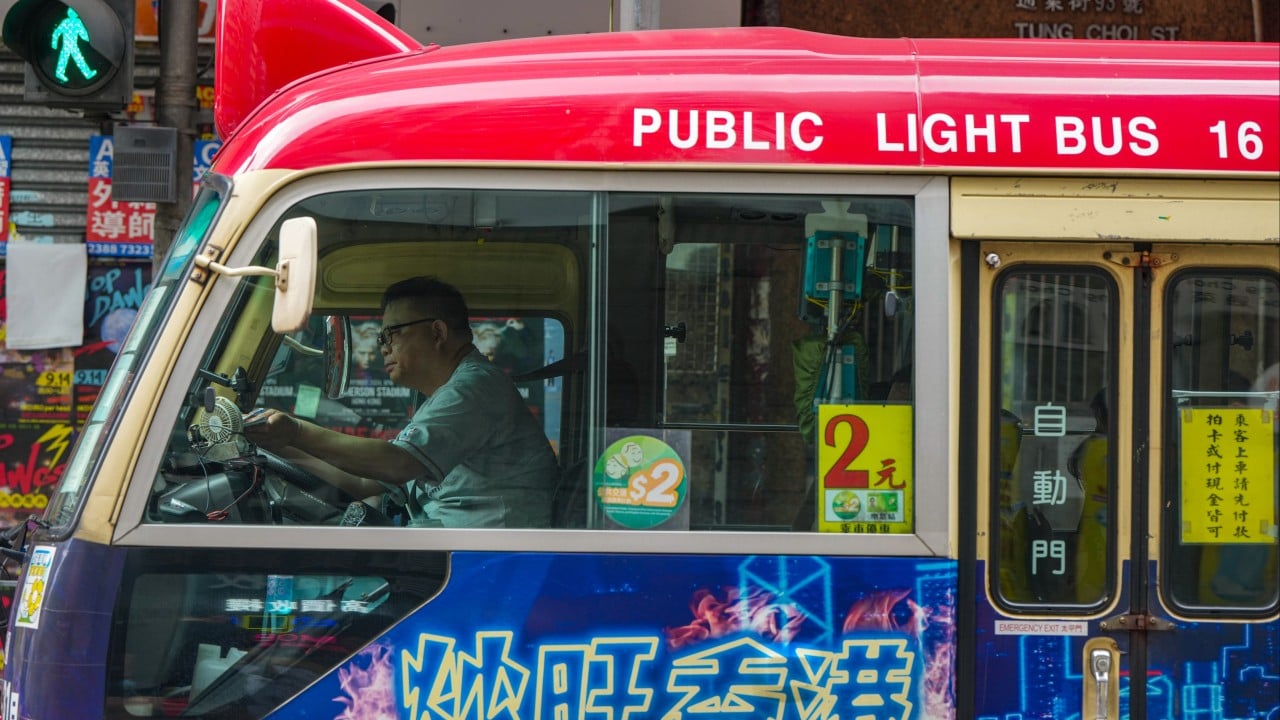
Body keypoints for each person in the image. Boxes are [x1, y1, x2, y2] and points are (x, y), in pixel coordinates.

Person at [245, 276, 560, 528]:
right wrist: (278, 445)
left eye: (391, 334)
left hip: (487, 563)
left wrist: (297, 431)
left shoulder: (474, 388)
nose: (383, 347)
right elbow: (366, 481)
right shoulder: (443, 394)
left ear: (437, 332)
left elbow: (395, 464)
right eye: (381, 338)